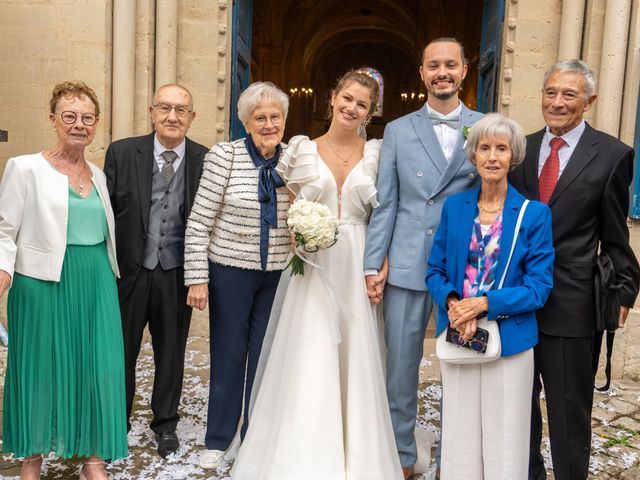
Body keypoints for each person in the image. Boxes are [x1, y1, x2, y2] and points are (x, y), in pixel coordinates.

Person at [231, 70, 403, 480]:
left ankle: (359, 454)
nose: (352, 108)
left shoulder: (378, 153)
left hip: (360, 259)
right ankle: (304, 453)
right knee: (311, 348)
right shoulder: (302, 150)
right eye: (346, 98)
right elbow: (290, 205)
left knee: (358, 352)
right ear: (332, 97)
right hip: (314, 264)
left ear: (370, 112)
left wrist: (383, 262)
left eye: (362, 104)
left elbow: (387, 214)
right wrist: (299, 230)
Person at [509, 59, 640, 480]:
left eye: (569, 94)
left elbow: (616, 233)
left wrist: (624, 290)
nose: (558, 102)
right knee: (517, 406)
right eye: (551, 92)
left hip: (572, 304)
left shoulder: (614, 155)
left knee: (568, 411)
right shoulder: (520, 150)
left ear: (590, 101)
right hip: (517, 302)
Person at [363, 37, 483, 478]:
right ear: (422, 73)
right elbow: (387, 203)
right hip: (408, 262)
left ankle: (457, 456)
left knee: (463, 365)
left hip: (464, 267)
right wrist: (374, 262)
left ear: (465, 70)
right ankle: (401, 455)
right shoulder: (397, 129)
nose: (442, 73)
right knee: (400, 367)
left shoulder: (486, 127)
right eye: (434, 65)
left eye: (451, 64)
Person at [0, 81, 127, 480]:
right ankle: (32, 460)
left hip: (96, 282)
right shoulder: (25, 168)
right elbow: (5, 229)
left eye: (87, 118)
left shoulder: (97, 175)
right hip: (41, 283)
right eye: (69, 116)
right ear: (53, 119)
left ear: (97, 124)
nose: (79, 124)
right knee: (38, 369)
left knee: (96, 368)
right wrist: (3, 270)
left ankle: (92, 457)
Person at [426, 113, 555, 479]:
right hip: (459, 333)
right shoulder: (455, 207)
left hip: (510, 340)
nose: (493, 156)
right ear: (474, 156)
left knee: (505, 439)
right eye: (485, 148)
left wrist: (483, 304)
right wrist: (455, 305)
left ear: (514, 156)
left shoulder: (534, 215)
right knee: (460, 437)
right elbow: (434, 271)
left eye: (502, 148)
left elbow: (538, 288)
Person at [183, 81, 292, 470]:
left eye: (274, 117)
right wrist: (197, 277)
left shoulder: (294, 159)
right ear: (245, 122)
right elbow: (198, 222)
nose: (268, 124)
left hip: (277, 273)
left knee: (265, 356)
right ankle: (219, 436)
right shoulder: (224, 157)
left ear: (284, 121)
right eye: (259, 118)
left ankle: (254, 436)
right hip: (229, 269)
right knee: (229, 353)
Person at [103, 84, 208, 458]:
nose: (172, 117)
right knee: (121, 350)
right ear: (151, 111)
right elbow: (107, 214)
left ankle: (165, 423)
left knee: (171, 352)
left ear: (192, 118)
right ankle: (116, 419)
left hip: (175, 273)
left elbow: (207, 220)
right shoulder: (122, 152)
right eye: (165, 108)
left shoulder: (204, 159)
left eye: (181, 110)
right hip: (129, 271)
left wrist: (201, 276)